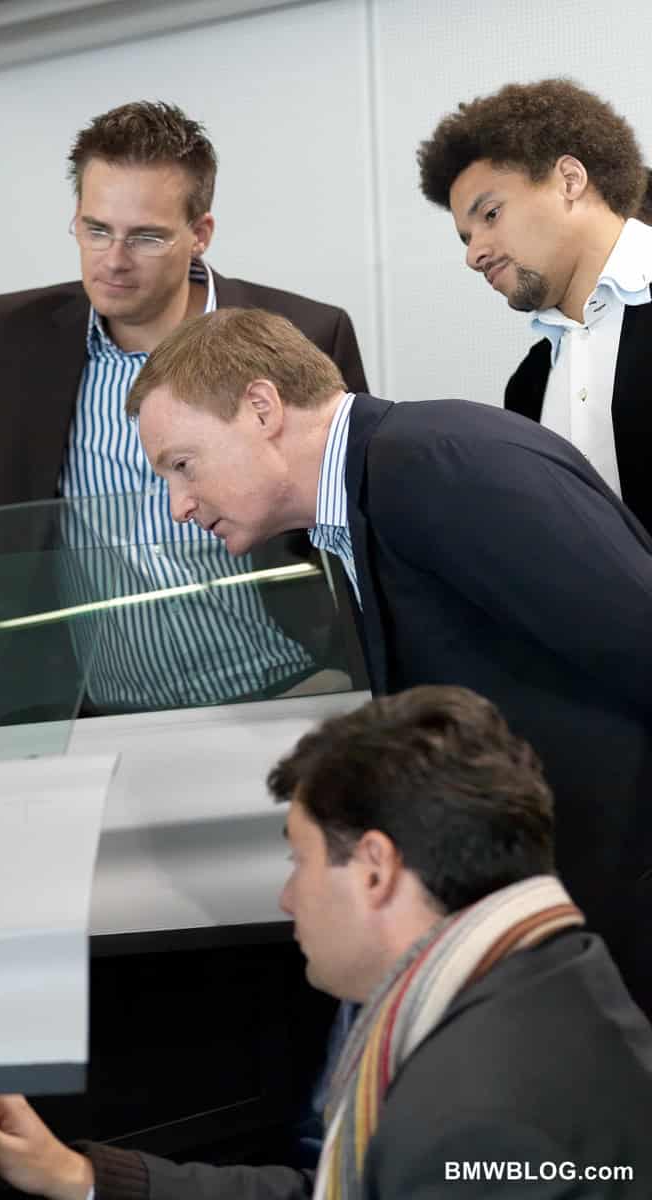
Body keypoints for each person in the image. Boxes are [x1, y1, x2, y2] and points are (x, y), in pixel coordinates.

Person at [0, 101, 369, 717]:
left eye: (145, 237)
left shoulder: (305, 335)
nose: (113, 259)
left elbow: (365, 519)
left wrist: (360, 680)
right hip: (90, 724)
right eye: (95, 229)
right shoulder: (15, 338)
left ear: (199, 234)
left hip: (290, 699)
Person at [124, 305, 652, 1015]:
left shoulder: (439, 468)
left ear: (261, 408)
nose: (179, 505)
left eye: (182, 465)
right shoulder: (376, 489)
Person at [0, 686, 652, 1199]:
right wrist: (79, 1176)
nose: (287, 897)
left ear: (374, 869)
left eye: (299, 861)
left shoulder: (478, 1119)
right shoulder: (541, 986)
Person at [417, 78, 651, 527]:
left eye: (491, 214)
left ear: (569, 180)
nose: (473, 255)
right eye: (466, 238)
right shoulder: (526, 387)